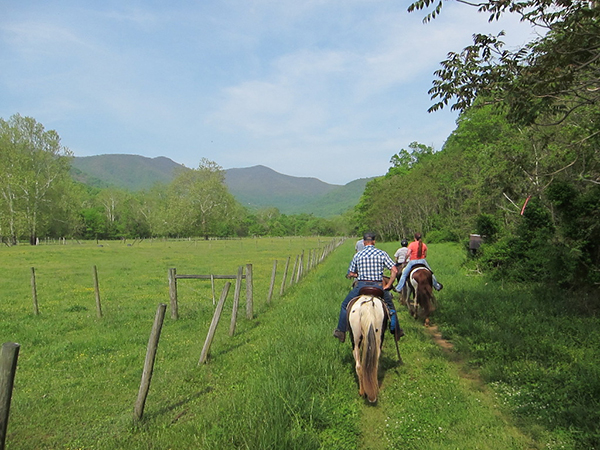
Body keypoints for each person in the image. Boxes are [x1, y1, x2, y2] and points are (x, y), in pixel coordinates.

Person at [333, 232, 404, 343]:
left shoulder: (358, 255)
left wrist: (355, 274)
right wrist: (389, 284)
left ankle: (341, 331)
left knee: (344, 305)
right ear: (374, 242)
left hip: (362, 286)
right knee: (391, 307)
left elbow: (351, 272)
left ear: (364, 242)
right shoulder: (382, 253)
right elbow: (394, 270)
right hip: (378, 286)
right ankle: (396, 331)